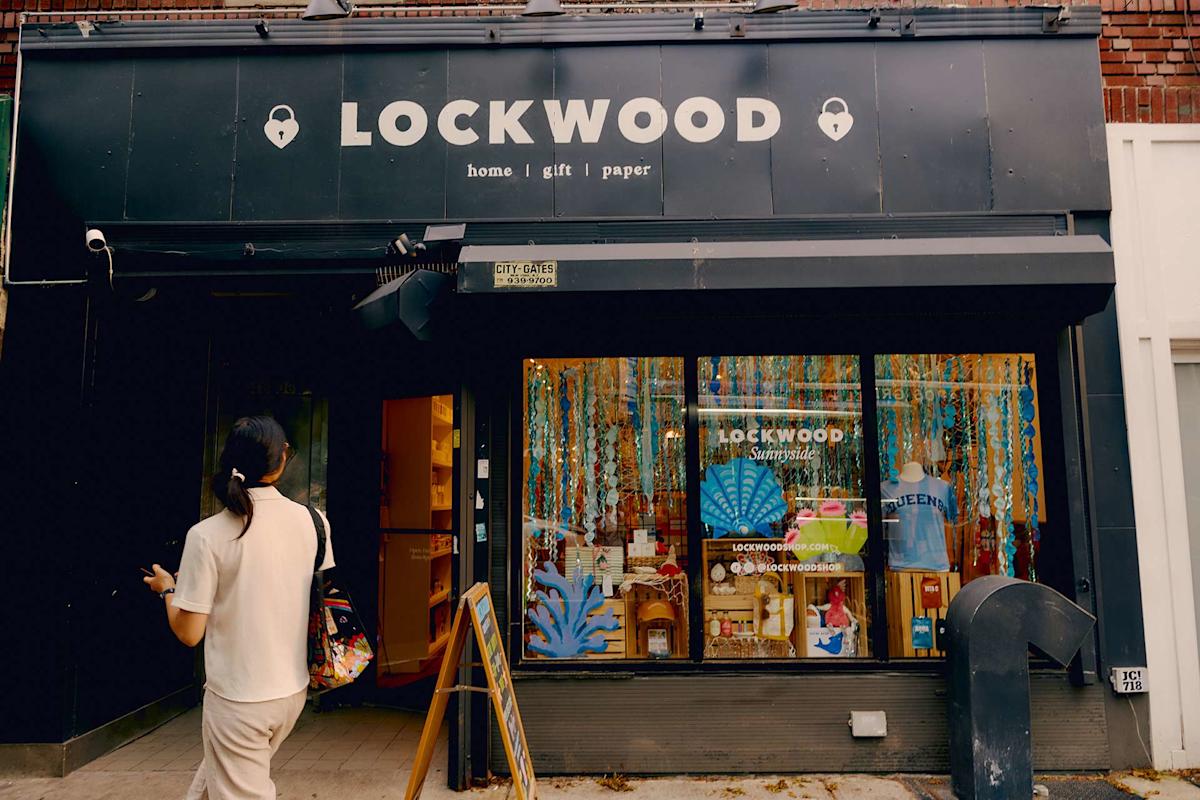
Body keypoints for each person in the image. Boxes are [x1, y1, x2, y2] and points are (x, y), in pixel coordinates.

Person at [143, 415, 334, 800]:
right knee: (216, 782)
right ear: (282, 458)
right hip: (293, 690)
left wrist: (168, 590)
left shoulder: (206, 535)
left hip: (240, 699)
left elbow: (189, 633)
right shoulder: (315, 522)